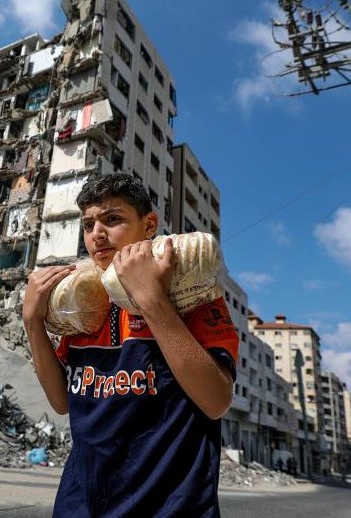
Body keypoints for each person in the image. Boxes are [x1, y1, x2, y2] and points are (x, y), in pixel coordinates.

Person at [22, 173, 239, 517]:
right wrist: (32, 322)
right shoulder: (85, 303)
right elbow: (63, 403)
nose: (97, 234)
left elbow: (216, 401)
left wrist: (151, 299)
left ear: (149, 224)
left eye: (113, 219)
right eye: (88, 224)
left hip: (170, 506)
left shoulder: (189, 292)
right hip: (80, 504)